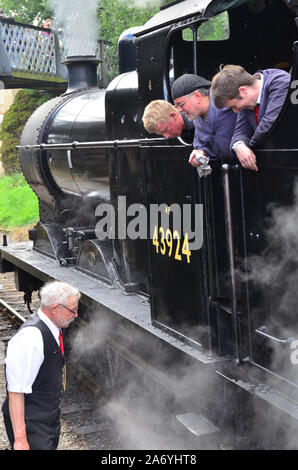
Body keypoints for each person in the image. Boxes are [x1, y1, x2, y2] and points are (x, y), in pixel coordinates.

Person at [2, 280, 80, 450]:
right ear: (54, 308)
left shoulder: (53, 325)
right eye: (73, 310)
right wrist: (21, 439)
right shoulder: (31, 338)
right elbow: (16, 391)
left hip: (46, 417)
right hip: (32, 423)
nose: (76, 315)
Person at [211, 64, 291, 171]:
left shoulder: (280, 82)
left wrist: (248, 148)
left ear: (243, 91)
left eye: (234, 106)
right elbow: (240, 131)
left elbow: (268, 125)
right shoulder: (246, 101)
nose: (236, 111)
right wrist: (239, 146)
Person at [171, 73, 237, 172]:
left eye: (181, 104)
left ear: (197, 96)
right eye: (177, 106)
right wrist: (200, 153)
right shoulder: (196, 117)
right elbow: (203, 146)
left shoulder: (226, 97)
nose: (179, 110)